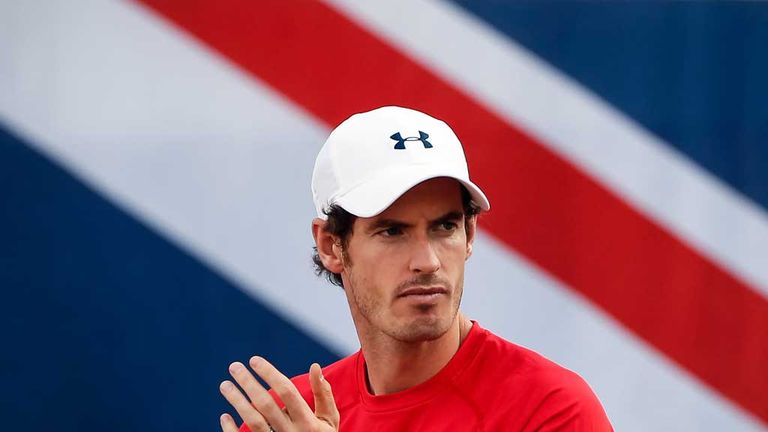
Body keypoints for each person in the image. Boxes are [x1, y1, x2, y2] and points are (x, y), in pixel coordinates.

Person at [218, 106, 613, 431]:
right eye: (392, 231)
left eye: (445, 226)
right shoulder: (288, 420)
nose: (428, 262)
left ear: (470, 233)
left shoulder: (550, 410)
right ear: (330, 245)